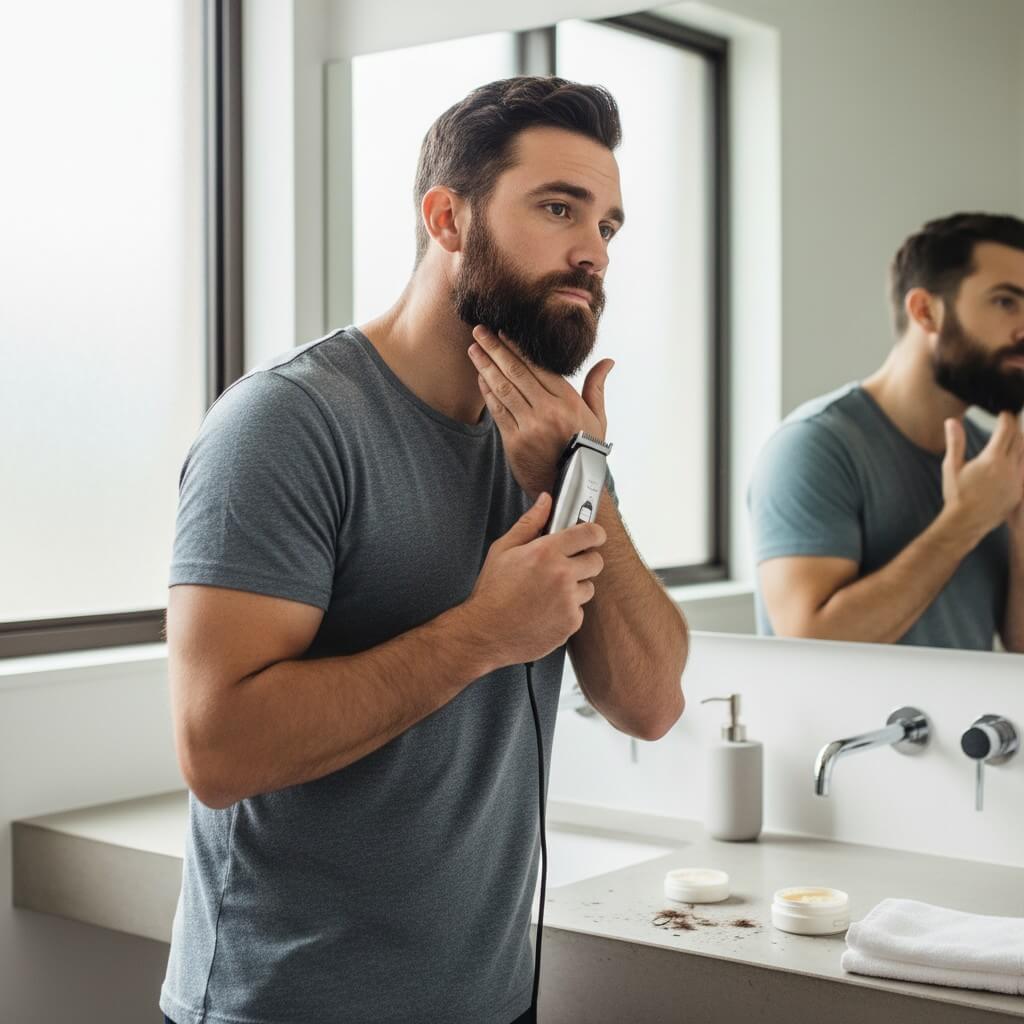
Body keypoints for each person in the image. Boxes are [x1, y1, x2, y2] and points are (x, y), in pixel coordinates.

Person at [159, 76, 688, 1024]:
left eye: (608, 226)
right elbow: (217, 748)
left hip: (488, 1003)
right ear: (448, 217)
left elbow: (648, 705)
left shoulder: (546, 442)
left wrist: (585, 478)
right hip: (285, 1006)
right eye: (559, 208)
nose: (592, 252)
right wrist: (480, 635)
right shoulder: (287, 424)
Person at [749, 213, 1024, 650]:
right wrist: (966, 521)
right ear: (925, 311)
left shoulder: (992, 462)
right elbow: (812, 642)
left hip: (966, 722)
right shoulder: (813, 446)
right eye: (1006, 302)